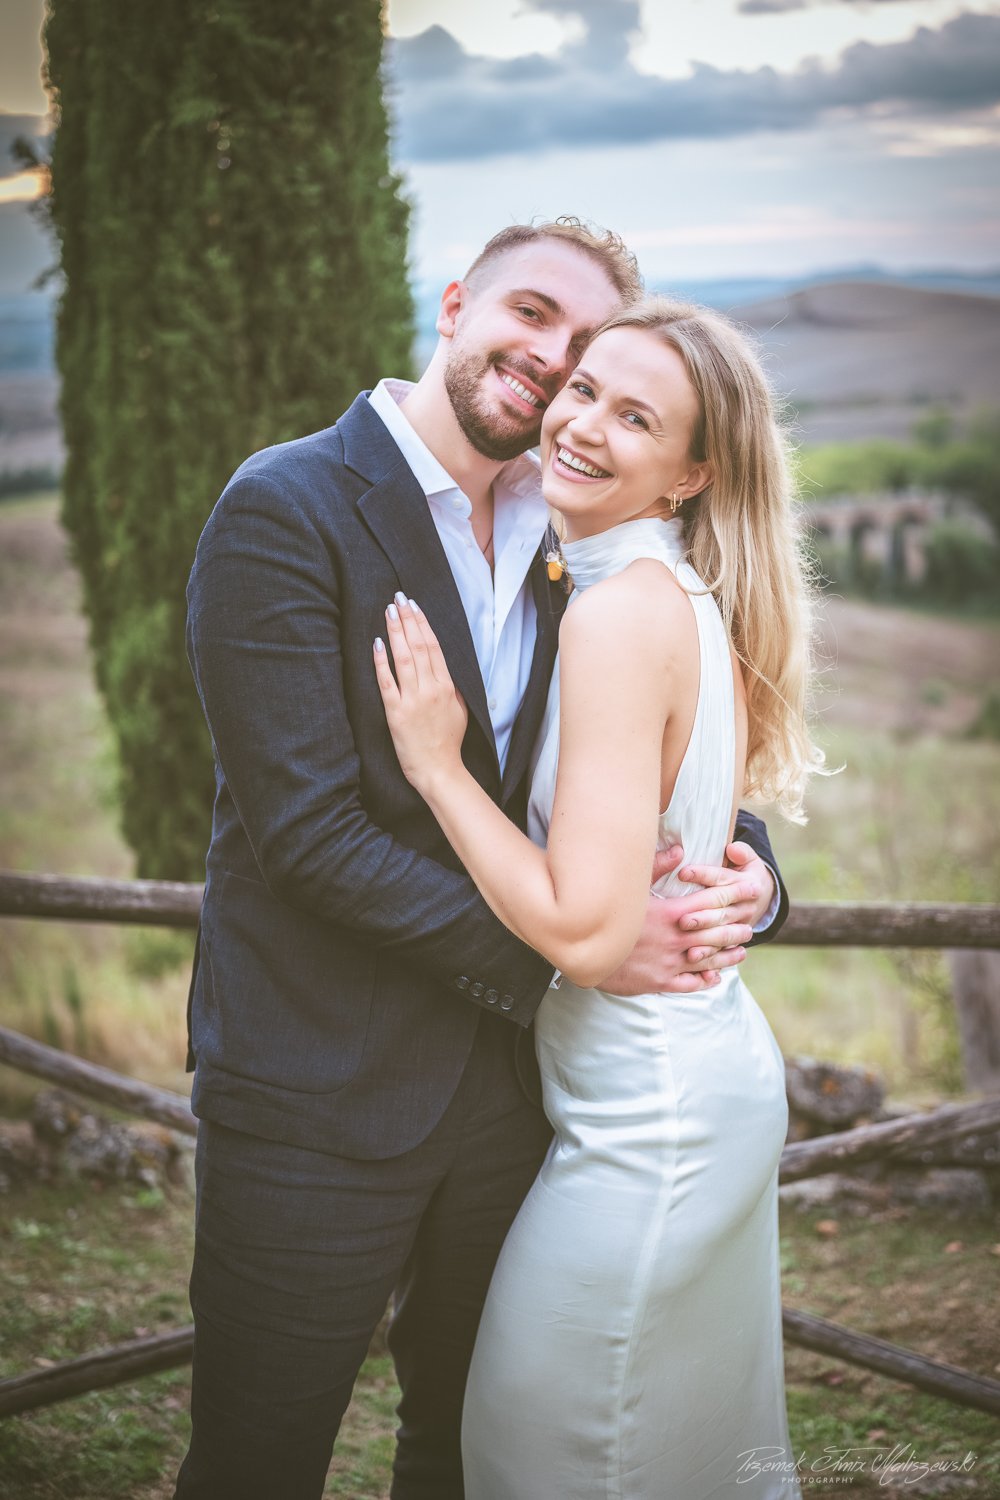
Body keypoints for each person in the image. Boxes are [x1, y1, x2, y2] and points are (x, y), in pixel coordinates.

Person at [174, 221, 788, 1500]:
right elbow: (311, 840)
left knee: (469, 1457)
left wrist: (752, 876)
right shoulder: (283, 507)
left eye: (580, 355)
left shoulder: (580, 526)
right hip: (318, 1096)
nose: (548, 366)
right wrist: (588, 940)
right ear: (456, 302)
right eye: (530, 314)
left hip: (520, 1108)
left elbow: (634, 761)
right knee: (257, 1462)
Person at [373, 296, 820, 1498]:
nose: (583, 425)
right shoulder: (670, 592)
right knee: (662, 1456)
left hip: (652, 1118)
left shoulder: (619, 615)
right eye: (583, 390)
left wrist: (436, 766)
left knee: (545, 1453)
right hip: (680, 1079)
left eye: (637, 417)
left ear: (689, 473)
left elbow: (583, 927)